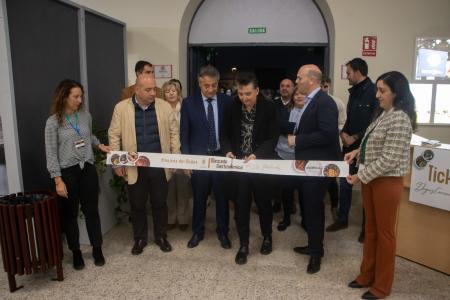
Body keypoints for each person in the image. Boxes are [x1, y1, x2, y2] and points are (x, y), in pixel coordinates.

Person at [345, 71, 416, 299]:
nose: (377, 95)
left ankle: (382, 286)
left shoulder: (400, 118)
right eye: (377, 89)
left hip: (386, 181)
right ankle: (366, 275)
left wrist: (359, 176)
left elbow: (389, 159)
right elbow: (371, 143)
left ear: (397, 93)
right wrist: (356, 152)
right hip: (371, 179)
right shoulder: (384, 114)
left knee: (385, 235)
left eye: (382, 90)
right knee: (370, 231)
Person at [108, 75, 180, 255]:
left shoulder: (163, 106)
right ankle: (140, 238)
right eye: (148, 90)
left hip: (159, 165)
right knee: (137, 205)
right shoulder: (121, 108)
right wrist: (117, 162)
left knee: (160, 203)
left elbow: (173, 134)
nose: (153, 93)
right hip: (134, 167)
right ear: (136, 90)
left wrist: (175, 157)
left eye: (154, 89)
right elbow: (114, 135)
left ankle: (161, 236)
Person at [45, 79, 110, 270]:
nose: (80, 100)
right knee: (70, 215)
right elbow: (50, 153)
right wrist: (58, 180)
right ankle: (76, 252)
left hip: (87, 168)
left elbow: (87, 137)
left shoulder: (84, 116)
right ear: (64, 97)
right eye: (76, 97)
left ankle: (97, 248)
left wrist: (99, 145)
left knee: (92, 211)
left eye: (81, 96)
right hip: (67, 173)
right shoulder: (53, 122)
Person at [221, 71, 279, 265]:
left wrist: (258, 154)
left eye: (248, 94)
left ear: (257, 91)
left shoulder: (269, 108)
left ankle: (267, 237)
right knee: (241, 205)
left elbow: (273, 138)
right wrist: (228, 150)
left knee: (264, 204)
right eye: (240, 94)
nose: (244, 98)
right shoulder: (231, 107)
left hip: (261, 163)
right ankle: (244, 245)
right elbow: (225, 135)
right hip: (240, 165)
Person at [287, 65, 340, 274]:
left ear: (311, 80)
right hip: (308, 166)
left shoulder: (325, 102)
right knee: (310, 208)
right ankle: (314, 245)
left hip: (319, 167)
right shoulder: (311, 101)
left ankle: (316, 254)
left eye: (299, 78)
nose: (296, 81)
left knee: (314, 209)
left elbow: (327, 134)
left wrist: (297, 140)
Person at [326, 58, 378, 243]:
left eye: (348, 73)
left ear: (357, 72)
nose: (347, 76)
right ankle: (342, 219)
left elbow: (374, 124)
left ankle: (366, 228)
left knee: (366, 188)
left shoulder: (373, 92)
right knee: (344, 183)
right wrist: (344, 133)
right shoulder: (354, 92)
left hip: (366, 148)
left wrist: (355, 137)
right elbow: (349, 118)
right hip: (349, 146)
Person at [180, 65, 232, 249]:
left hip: (220, 158)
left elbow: (231, 131)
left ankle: (223, 232)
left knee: (222, 198)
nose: (210, 90)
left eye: (214, 85)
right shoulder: (188, 103)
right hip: (199, 159)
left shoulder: (228, 101)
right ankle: (197, 232)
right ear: (199, 83)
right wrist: (186, 161)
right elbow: (184, 134)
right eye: (206, 86)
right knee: (199, 198)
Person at [162, 80, 192, 231]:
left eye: (174, 90)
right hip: (166, 153)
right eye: (167, 91)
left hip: (183, 152)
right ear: (164, 94)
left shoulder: (185, 107)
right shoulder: (160, 109)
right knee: (169, 188)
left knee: (183, 187)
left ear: (178, 92)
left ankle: (183, 218)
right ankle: (171, 218)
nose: (171, 93)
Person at [275, 86, 305, 231]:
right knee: (286, 190)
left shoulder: (310, 112)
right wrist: (291, 128)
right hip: (284, 155)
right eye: (297, 94)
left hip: (302, 158)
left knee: (303, 191)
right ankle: (286, 218)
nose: (299, 96)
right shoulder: (286, 110)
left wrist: (289, 128)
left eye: (302, 94)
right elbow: (278, 126)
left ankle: (305, 220)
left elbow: (300, 132)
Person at [321, 75, 347, 221]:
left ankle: (334, 206)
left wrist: (328, 131)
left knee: (332, 177)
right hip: (318, 147)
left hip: (334, 145)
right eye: (321, 87)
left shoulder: (338, 103)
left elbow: (343, 123)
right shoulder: (310, 102)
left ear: (329, 86)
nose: (323, 89)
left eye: (325, 87)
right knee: (318, 176)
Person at [273, 78, 295, 214]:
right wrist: (286, 127)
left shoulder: (298, 103)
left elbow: (297, 127)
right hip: (277, 148)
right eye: (282, 86)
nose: (285, 88)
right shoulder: (273, 104)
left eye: (288, 86)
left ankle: (290, 203)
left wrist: (282, 126)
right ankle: (277, 201)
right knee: (277, 177)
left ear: (293, 88)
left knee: (291, 179)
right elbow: (272, 125)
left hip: (294, 150)